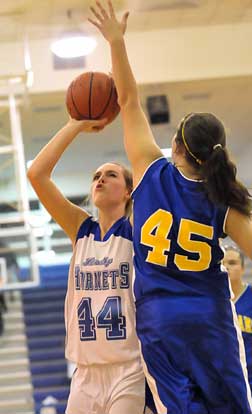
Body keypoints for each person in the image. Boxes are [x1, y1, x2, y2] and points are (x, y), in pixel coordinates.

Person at [89, 1, 252, 413]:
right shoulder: (224, 197)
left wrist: (116, 40)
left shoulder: (148, 170)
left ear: (177, 144)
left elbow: (128, 100)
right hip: (210, 318)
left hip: (159, 322)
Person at [27, 117, 146, 414]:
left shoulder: (136, 228)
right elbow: (36, 174)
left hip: (128, 369)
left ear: (129, 192)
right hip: (84, 373)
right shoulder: (81, 228)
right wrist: (75, 124)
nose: (100, 179)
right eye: (96, 176)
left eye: (111, 175)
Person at [223, 245, 252, 391]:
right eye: (222, 263)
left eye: (232, 263)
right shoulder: (212, 299)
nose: (226, 267)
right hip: (221, 379)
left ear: (242, 267)